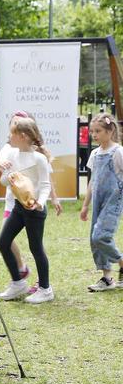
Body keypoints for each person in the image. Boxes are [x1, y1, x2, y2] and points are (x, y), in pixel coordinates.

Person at [0, 111, 62, 295]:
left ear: (22, 136)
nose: (9, 137)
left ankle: (45, 288)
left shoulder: (39, 158)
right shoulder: (12, 155)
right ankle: (18, 283)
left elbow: (44, 185)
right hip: (19, 208)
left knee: (36, 248)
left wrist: (41, 203)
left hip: (35, 211)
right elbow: (4, 182)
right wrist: (8, 174)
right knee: (3, 242)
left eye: (12, 134)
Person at [80, 113, 123, 291]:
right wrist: (85, 205)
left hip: (113, 201)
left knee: (101, 237)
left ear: (110, 130)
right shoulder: (95, 153)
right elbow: (93, 180)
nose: (94, 135)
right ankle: (106, 278)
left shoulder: (118, 151)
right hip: (98, 202)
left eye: (98, 131)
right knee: (94, 239)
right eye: (92, 131)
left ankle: (121, 262)